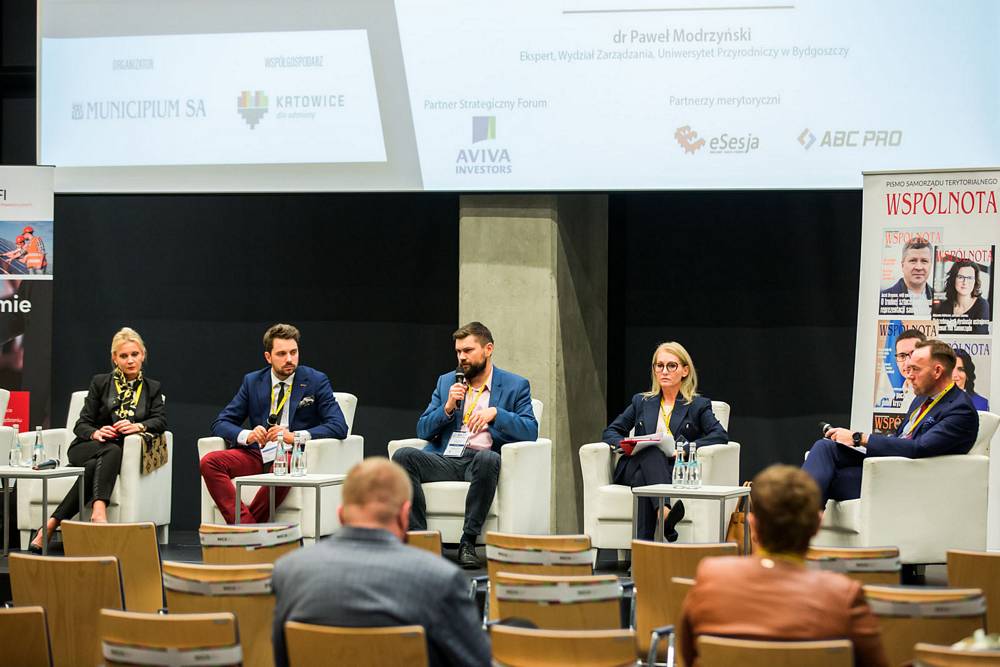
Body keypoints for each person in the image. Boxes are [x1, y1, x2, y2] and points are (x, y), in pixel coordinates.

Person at [272, 458, 490, 667]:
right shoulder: (441, 580)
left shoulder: (288, 572)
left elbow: (280, 658)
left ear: (341, 515)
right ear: (405, 515)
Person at [678, 465, 888, 667]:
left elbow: (687, 657)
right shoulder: (844, 596)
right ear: (817, 525)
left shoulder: (711, 578)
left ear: (753, 525)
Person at [391, 322, 537, 568]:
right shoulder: (447, 382)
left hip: (482, 460)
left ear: (488, 349)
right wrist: (447, 407)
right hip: (448, 458)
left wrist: (496, 414)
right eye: (458, 352)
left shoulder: (515, 385)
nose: (462, 357)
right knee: (403, 456)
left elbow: (530, 430)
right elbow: (423, 429)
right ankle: (420, 540)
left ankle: (468, 541)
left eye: (468, 350)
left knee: (488, 458)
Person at [30, 327, 166, 553]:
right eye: (124, 356)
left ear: (143, 355)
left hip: (118, 455)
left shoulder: (152, 388)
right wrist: (96, 433)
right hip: (86, 448)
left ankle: (51, 525)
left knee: (100, 462)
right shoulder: (101, 383)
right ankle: (99, 511)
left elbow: (160, 420)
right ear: (115, 358)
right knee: (109, 450)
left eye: (134, 354)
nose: (130, 360)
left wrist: (138, 426)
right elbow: (81, 424)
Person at [201, 323, 348, 524]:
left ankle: (243, 530)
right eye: (281, 354)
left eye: (293, 352)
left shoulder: (315, 380)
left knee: (284, 466)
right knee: (210, 462)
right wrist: (248, 435)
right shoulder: (253, 381)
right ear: (268, 357)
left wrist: (294, 436)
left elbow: (339, 425)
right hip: (258, 452)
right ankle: (248, 528)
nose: (289, 359)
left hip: (292, 454)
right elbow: (221, 422)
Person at [803, 339, 978, 505]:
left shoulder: (960, 410)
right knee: (826, 447)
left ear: (937, 371)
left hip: (908, 479)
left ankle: (799, 516)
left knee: (828, 479)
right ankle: (802, 515)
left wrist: (859, 438)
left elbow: (919, 448)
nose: (909, 376)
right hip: (888, 465)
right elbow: (900, 437)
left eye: (915, 369)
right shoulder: (922, 398)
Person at [602, 342, 728, 541]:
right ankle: (666, 514)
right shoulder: (641, 402)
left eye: (671, 366)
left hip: (669, 469)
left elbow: (720, 435)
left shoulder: (697, 405)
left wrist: (685, 449)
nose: (664, 371)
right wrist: (626, 445)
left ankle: (643, 550)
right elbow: (611, 432)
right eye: (659, 366)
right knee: (651, 451)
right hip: (631, 466)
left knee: (642, 479)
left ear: (685, 370)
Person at [933, 259, 991, 335]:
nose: (965, 282)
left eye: (970, 278)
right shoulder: (944, 306)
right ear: (953, 279)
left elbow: (980, 338)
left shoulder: (982, 305)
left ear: (975, 281)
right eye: (960, 277)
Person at [880, 238, 933, 316]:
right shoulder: (882, 299)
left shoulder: (942, 300)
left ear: (931, 265)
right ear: (902, 265)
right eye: (913, 260)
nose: (918, 267)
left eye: (924, 261)